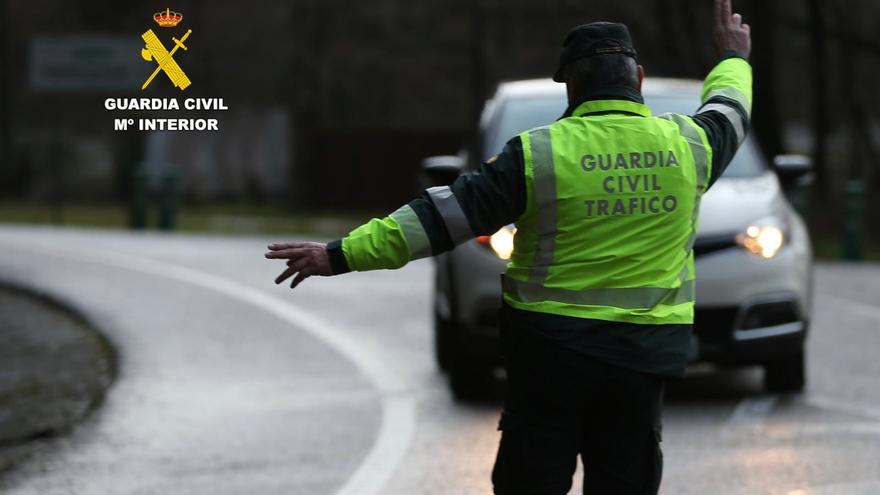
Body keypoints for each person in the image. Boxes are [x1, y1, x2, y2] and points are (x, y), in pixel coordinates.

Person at [266, 1, 751, 493]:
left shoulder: (538, 153)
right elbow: (730, 110)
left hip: (550, 360)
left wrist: (339, 254)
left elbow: (437, 220)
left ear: (572, 85)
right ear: (639, 78)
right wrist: (732, 57)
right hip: (643, 361)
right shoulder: (690, 146)